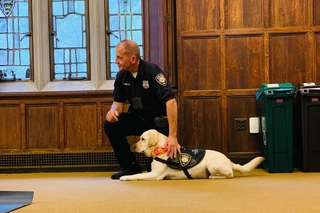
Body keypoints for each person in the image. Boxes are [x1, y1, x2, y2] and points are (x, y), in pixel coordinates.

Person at [104, 39, 181, 179]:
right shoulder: (121, 76)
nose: (116, 61)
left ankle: (151, 163)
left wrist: (172, 136)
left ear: (133, 59)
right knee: (110, 124)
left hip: (156, 123)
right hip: (137, 118)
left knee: (156, 169)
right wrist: (113, 111)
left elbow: (171, 102)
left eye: (119, 58)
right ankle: (129, 165)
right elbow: (118, 103)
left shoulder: (153, 72)